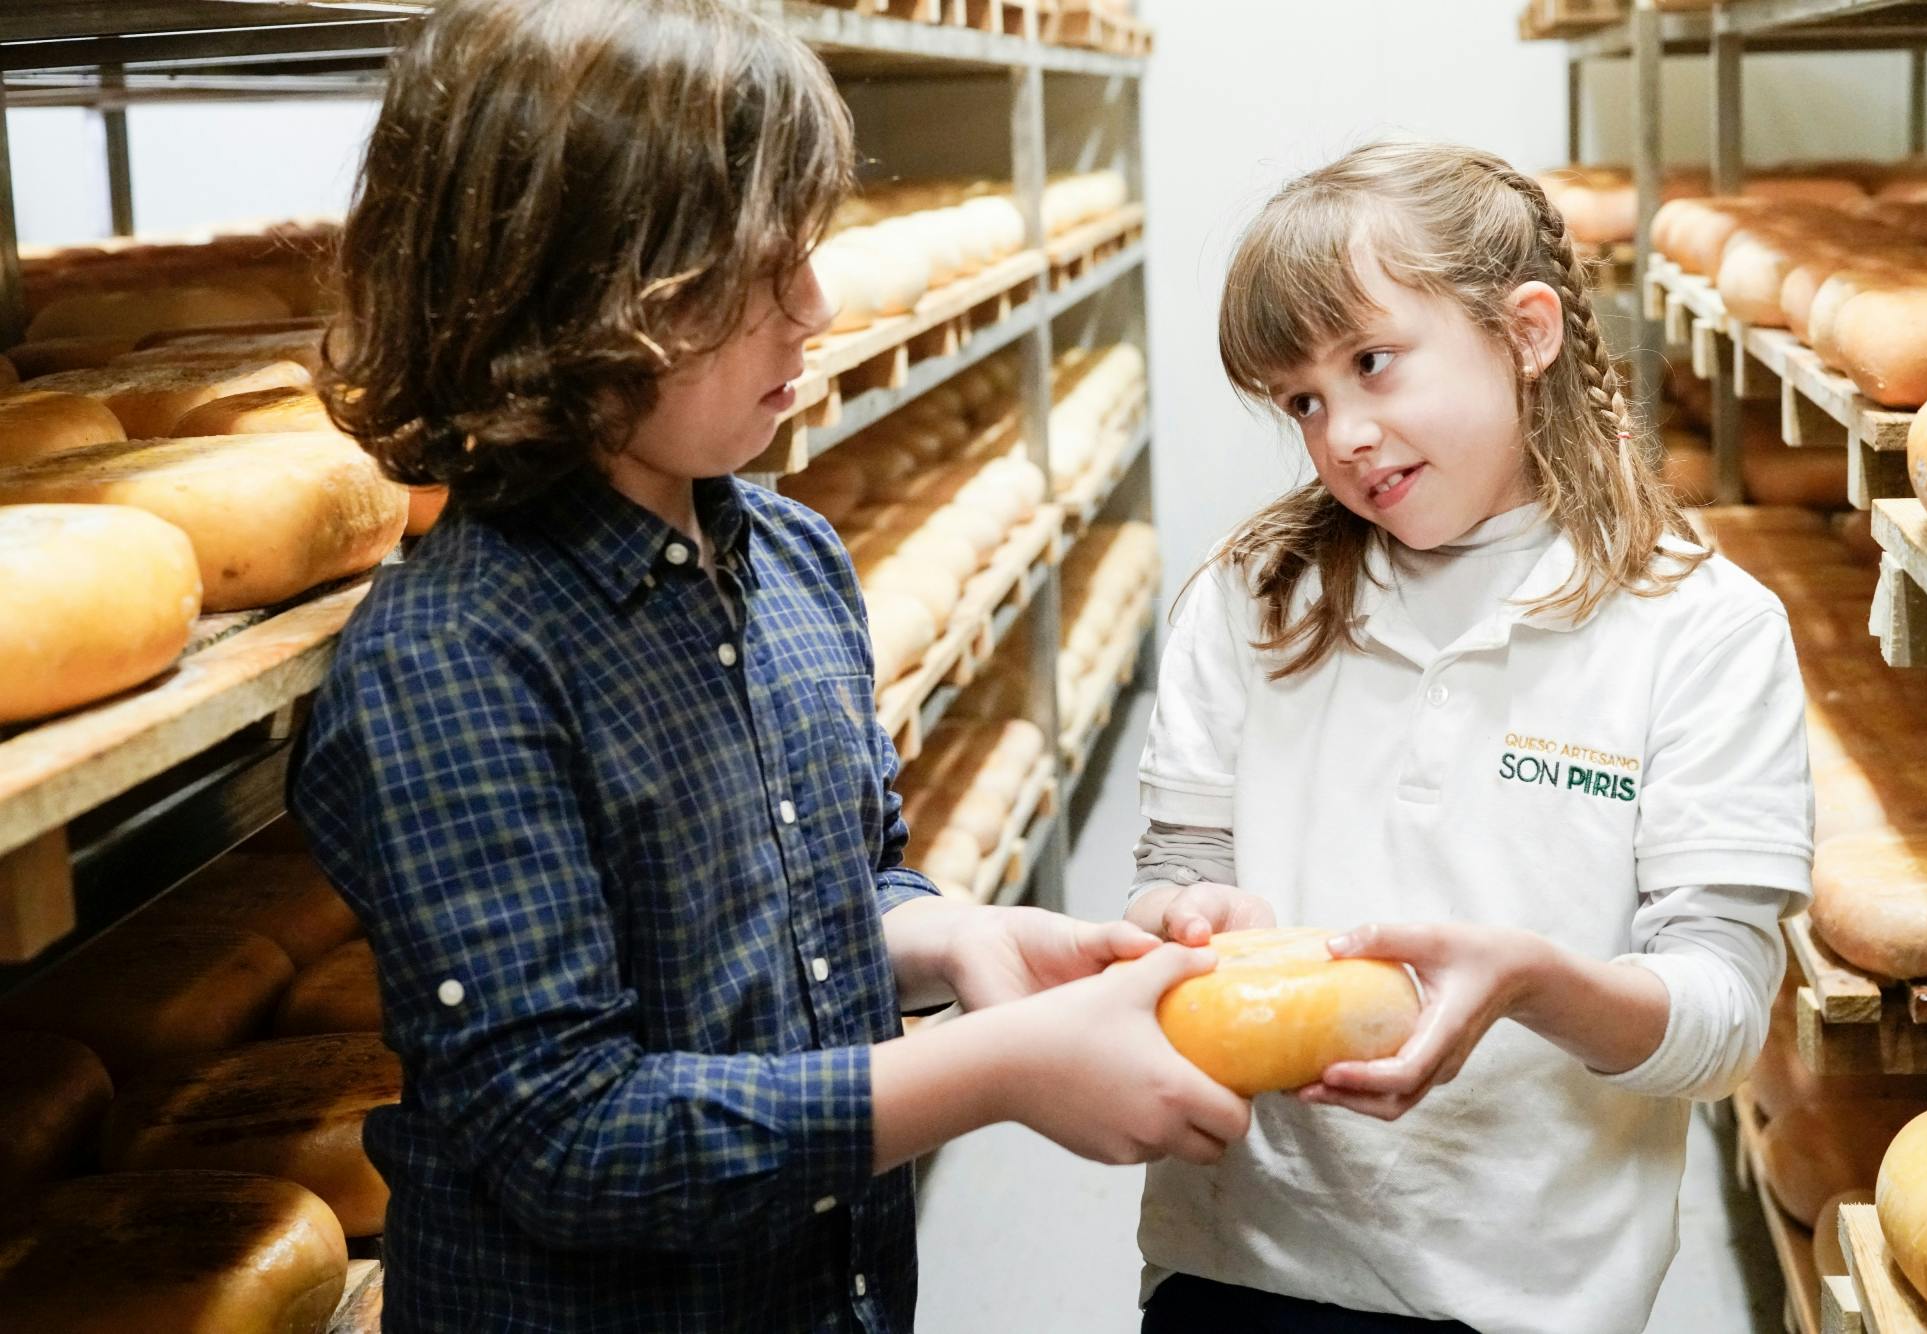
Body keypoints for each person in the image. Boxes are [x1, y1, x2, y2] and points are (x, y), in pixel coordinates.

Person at [287, 2, 1250, 1329]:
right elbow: (569, 1134)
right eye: (758, 268)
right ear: (576, 291)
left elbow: (831, 889)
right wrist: (1000, 1068)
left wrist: (965, 938)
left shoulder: (792, 559)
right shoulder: (453, 663)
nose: (818, 304)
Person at [1125, 140, 1812, 1334]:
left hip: (1528, 1290)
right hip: (1245, 1255)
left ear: (1526, 330)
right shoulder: (1250, 598)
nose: (1341, 432)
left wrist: (1534, 984)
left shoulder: (1698, 630)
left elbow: (1719, 1014)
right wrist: (1179, 917)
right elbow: (1173, 862)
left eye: (1372, 363)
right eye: (1301, 400)